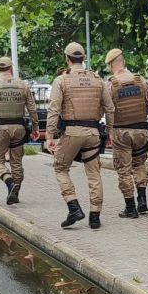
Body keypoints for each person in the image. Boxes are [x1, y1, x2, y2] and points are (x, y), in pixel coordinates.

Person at [45, 42, 114, 229]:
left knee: (60, 167)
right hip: (93, 133)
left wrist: (49, 135)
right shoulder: (97, 80)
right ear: (83, 58)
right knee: (94, 173)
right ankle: (95, 216)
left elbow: (54, 109)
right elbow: (110, 108)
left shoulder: (61, 80)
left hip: (72, 132)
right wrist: (109, 131)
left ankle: (74, 207)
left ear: (67, 59)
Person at [105, 48, 148, 218]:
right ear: (123, 62)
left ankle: (130, 207)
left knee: (124, 170)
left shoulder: (111, 84)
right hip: (141, 132)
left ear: (111, 64)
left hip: (121, 133)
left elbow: (107, 109)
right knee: (139, 164)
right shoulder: (141, 81)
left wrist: (108, 130)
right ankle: (142, 201)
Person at [0, 57, 40, 205]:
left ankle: (9, 182)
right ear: (11, 68)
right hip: (19, 128)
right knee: (16, 161)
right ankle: (15, 192)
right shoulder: (23, 85)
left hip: (0, 129)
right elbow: (32, 108)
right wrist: (36, 127)